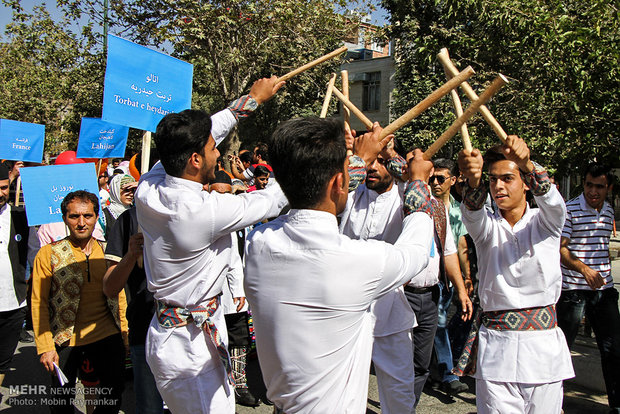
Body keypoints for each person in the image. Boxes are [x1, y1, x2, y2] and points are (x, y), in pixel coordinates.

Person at [244, 118, 436, 413]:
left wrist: (358, 160)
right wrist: (419, 181)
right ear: (339, 182)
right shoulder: (357, 260)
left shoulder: (259, 242)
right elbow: (416, 251)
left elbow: (307, 195)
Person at [134, 76, 287, 414]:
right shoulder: (200, 212)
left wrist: (252, 100)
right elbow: (273, 200)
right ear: (194, 160)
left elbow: (209, 131)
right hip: (190, 352)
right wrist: (344, 161)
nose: (218, 152)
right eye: (211, 149)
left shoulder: (148, 188)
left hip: (177, 335)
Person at [456, 136, 574, 413]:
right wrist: (473, 182)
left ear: (524, 183)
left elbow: (553, 202)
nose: (498, 186)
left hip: (544, 353)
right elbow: (472, 212)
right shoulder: (487, 228)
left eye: (508, 178)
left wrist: (528, 164)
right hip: (497, 352)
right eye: (492, 179)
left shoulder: (545, 222)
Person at [31, 190, 128, 413]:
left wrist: (124, 332)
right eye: (74, 216)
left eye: (88, 216)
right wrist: (45, 346)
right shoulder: (48, 254)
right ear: (65, 218)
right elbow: (39, 302)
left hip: (106, 337)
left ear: (96, 217)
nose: (82, 223)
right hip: (64, 341)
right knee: (61, 403)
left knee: (111, 399)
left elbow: (119, 295)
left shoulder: (107, 252)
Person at [557, 163, 619, 413]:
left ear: (608, 188)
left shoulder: (608, 211)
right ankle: (552, 403)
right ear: (583, 184)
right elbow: (560, 249)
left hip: (603, 291)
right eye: (589, 185)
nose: (593, 191)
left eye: (599, 187)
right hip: (573, 291)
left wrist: (599, 273)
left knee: (614, 349)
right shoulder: (569, 209)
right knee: (562, 350)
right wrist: (585, 270)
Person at [103, 205, 164, 414]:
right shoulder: (130, 219)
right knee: (149, 406)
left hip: (190, 331)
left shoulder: (198, 210)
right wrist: (131, 255)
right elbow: (110, 287)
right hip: (145, 326)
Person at [428, 158, 471, 395]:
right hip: (427, 278)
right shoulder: (423, 205)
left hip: (449, 279)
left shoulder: (459, 210)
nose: (435, 182)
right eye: (432, 178)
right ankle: (446, 374)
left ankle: (436, 372)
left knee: (439, 324)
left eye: (440, 178)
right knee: (438, 323)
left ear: (453, 181)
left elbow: (461, 246)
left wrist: (466, 278)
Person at [0, 164, 31, 392]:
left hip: (13, 304)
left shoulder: (21, 218)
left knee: (2, 363)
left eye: (2, 188)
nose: (0, 193)